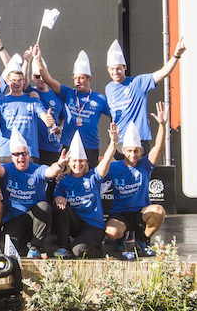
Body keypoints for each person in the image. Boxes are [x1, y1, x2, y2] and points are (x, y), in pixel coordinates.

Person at [104, 102, 169, 257]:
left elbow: (158, 148)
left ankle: (143, 239)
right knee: (112, 232)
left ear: (141, 151)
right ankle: (121, 238)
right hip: (120, 214)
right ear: (124, 151)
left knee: (159, 211)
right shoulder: (114, 167)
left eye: (136, 151)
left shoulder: (145, 165)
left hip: (141, 212)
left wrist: (162, 125)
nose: (133, 154)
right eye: (130, 151)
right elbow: (94, 175)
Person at [0, 129, 67, 258]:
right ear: (11, 156)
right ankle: (27, 247)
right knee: (6, 249)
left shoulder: (37, 169)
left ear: (29, 154)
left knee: (44, 207)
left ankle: (35, 246)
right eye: (17, 154)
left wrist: (59, 164)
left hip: (35, 218)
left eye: (24, 153)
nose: (21, 157)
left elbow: (51, 171)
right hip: (15, 220)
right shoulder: (8, 169)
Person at [34, 47, 111, 167]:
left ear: (89, 79)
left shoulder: (100, 99)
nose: (77, 81)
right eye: (75, 78)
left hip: (90, 146)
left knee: (89, 180)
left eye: (81, 78)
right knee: (67, 179)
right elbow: (48, 79)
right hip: (68, 145)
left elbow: (114, 116)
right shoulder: (67, 93)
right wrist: (38, 59)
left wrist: (111, 137)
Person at [104, 37, 185, 150]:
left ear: (125, 67)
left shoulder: (138, 82)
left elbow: (163, 73)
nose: (115, 72)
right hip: (119, 140)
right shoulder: (108, 88)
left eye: (118, 68)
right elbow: (113, 116)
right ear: (108, 69)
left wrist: (176, 55)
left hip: (139, 139)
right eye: (112, 69)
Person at [53, 130, 115, 258]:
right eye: (74, 161)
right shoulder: (64, 179)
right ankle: (63, 246)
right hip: (76, 224)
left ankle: (97, 249)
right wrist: (58, 198)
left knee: (78, 251)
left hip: (93, 226)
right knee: (59, 208)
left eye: (81, 161)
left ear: (86, 162)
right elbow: (57, 195)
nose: (78, 164)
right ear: (69, 162)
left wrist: (113, 143)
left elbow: (106, 161)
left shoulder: (93, 177)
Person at [0, 57, 54, 162]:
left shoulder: (33, 101)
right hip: (6, 153)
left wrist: (48, 121)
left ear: (24, 81)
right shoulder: (0, 101)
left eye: (19, 80)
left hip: (29, 153)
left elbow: (44, 116)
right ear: (8, 81)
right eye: (13, 80)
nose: (17, 83)